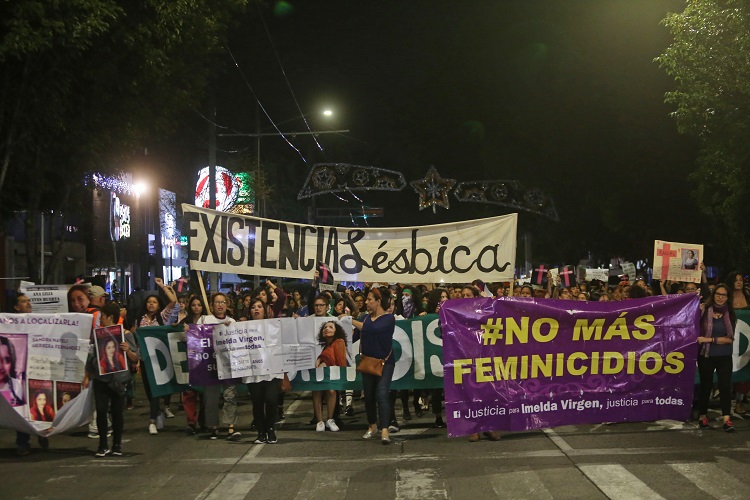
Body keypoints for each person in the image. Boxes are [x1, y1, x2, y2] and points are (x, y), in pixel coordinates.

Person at [84, 302, 138, 457]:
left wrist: (127, 350)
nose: (100, 320)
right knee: (101, 411)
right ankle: (102, 445)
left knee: (117, 412)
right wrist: (88, 375)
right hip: (101, 378)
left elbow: (135, 357)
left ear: (111, 317)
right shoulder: (97, 335)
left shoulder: (126, 334)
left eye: (102, 317)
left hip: (119, 379)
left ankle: (117, 445)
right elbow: (92, 356)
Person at [133, 277, 178, 435]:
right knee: (148, 391)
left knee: (156, 391)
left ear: (158, 305)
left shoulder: (162, 317)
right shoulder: (140, 320)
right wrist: (137, 360)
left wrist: (161, 286)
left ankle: (152, 420)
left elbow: (173, 301)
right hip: (145, 360)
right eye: (149, 302)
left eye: (154, 302)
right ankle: (157, 412)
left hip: (159, 360)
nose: (151, 304)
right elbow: (138, 340)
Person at [352, 287, 396, 445]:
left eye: (370, 299)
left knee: (382, 393)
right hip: (367, 362)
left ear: (378, 302)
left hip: (385, 362)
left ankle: (385, 429)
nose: (366, 302)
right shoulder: (364, 318)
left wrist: (350, 320)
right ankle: (372, 426)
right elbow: (352, 337)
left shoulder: (388, 318)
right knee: (369, 396)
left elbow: (373, 329)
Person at [696, 284, 736, 432]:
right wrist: (696, 309)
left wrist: (709, 340)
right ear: (713, 295)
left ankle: (727, 419)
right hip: (706, 356)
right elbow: (691, 322)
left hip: (724, 355)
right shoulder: (705, 310)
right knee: (706, 386)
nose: (720, 297)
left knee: (725, 386)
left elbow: (729, 339)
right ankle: (702, 416)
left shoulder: (730, 313)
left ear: (728, 297)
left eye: (723, 295)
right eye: (718, 294)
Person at [245, 298, 282, 444]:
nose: (256, 309)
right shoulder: (242, 326)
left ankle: (271, 429)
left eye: (259, 306)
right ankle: (261, 432)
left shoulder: (274, 325)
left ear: (265, 309)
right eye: (253, 307)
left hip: (271, 370)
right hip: (253, 372)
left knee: (271, 400)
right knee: (257, 402)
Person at [313, 321, 347, 432]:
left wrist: (321, 358)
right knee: (317, 390)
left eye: (331, 327)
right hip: (322, 374)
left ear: (337, 331)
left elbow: (339, 361)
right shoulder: (325, 345)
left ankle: (329, 419)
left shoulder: (339, 342)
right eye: (325, 327)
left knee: (331, 391)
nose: (327, 329)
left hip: (333, 375)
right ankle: (320, 421)